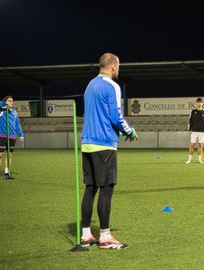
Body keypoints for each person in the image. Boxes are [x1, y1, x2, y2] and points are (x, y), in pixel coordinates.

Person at [80, 53, 138, 250]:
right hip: (104, 143)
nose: (119, 70)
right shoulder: (112, 86)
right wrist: (129, 131)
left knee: (90, 188)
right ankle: (105, 236)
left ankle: (86, 234)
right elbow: (116, 116)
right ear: (113, 67)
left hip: (87, 143)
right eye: (118, 66)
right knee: (106, 189)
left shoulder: (89, 85)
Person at [0, 96, 24, 180]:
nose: (11, 102)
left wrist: (21, 134)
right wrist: (3, 103)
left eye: (12, 101)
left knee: (9, 155)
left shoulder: (14, 112)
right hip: (2, 136)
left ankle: (7, 173)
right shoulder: (0, 111)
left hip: (12, 137)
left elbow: (17, 124)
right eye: (9, 101)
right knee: (0, 155)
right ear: (6, 102)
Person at [186, 97, 204, 164]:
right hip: (194, 131)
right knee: (192, 145)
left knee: (200, 145)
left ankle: (199, 159)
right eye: (198, 102)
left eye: (200, 102)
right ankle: (189, 159)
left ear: (202, 103)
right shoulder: (193, 111)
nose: (199, 104)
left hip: (201, 131)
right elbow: (190, 121)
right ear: (196, 103)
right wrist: (189, 129)